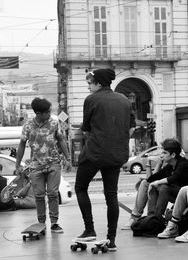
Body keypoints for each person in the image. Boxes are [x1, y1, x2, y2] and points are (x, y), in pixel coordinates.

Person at [74, 68, 136, 251]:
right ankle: (112, 238)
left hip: (94, 152)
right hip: (116, 154)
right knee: (111, 195)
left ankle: (90, 229)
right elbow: (131, 128)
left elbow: (85, 129)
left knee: (80, 187)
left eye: (89, 83)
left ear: (99, 83)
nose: (88, 87)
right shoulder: (124, 100)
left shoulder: (91, 100)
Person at [15, 98, 71, 233]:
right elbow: (21, 146)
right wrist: (17, 165)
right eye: (47, 112)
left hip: (53, 164)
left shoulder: (54, 123)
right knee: (39, 196)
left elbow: (61, 140)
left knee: (52, 193)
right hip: (35, 166)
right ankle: (41, 223)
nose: (49, 114)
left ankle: (54, 223)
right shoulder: (27, 126)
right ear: (38, 113)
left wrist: (68, 158)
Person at [122, 138, 188, 230]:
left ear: (173, 155)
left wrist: (156, 183)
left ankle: (157, 219)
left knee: (163, 187)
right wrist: (153, 164)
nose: (161, 155)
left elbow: (172, 179)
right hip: (176, 193)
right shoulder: (169, 166)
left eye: (164, 153)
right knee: (145, 183)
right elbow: (151, 179)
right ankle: (142, 217)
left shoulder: (183, 164)